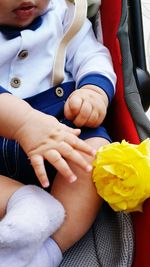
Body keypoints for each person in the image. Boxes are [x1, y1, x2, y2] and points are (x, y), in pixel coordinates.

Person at [0, 0, 116, 266]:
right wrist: (23, 123)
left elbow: (92, 55)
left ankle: (49, 250)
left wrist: (93, 92)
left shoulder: (66, 14)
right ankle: (25, 202)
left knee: (95, 154)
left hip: (61, 127)